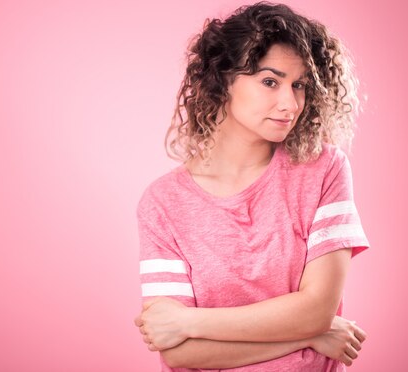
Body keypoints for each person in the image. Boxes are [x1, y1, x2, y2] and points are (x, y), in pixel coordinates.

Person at [134, 2, 371, 371]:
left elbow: (315, 311)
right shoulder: (163, 203)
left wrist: (189, 323)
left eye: (299, 86)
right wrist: (309, 337)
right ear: (223, 79)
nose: (289, 104)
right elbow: (180, 353)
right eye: (270, 82)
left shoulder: (323, 169)